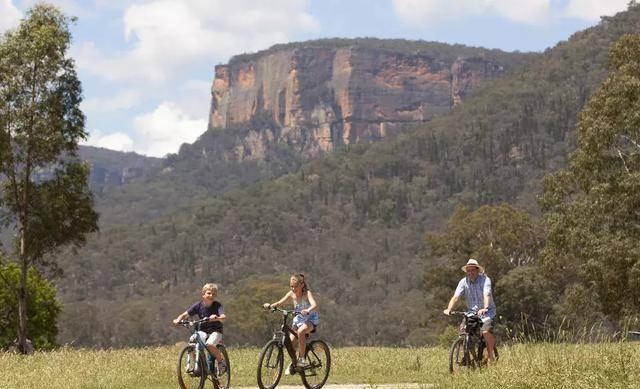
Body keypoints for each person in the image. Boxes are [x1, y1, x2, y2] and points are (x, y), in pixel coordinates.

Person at [263, 273, 318, 374]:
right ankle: (295, 363)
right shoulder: (291, 294)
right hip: (298, 320)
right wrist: (270, 306)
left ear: (301, 285)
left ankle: (302, 359)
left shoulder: (307, 294)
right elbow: (280, 303)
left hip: (310, 319)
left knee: (301, 332)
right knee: (290, 343)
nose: (293, 289)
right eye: (291, 286)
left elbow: (314, 305)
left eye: (295, 286)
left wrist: (308, 310)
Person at [443, 258, 496, 362]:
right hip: (471, 312)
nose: (470, 273)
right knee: (463, 331)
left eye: (473, 270)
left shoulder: (485, 280)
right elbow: (456, 297)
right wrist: (449, 309)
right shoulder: (463, 282)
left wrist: (485, 307)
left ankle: (491, 357)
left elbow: (487, 294)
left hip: (487, 312)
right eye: (468, 270)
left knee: (485, 331)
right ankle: (467, 356)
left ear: (477, 270)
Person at [173, 283, 227, 374]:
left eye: (214, 294)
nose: (211, 296)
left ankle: (221, 362)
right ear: (203, 294)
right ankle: (198, 365)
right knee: (192, 341)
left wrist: (217, 318)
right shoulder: (198, 305)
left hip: (216, 331)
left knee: (209, 344)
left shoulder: (217, 306)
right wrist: (178, 319)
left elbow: (223, 317)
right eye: (209, 293)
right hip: (203, 330)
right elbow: (185, 314)